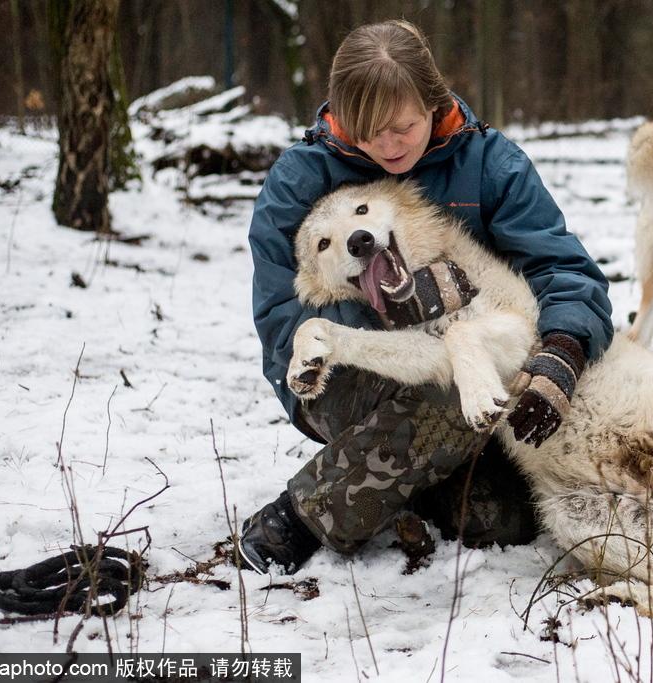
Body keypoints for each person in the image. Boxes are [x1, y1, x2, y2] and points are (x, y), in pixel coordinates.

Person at [241, 19, 613, 573]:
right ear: (342, 118)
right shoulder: (300, 178)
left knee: (501, 519)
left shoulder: (490, 163)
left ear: (433, 103)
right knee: (455, 381)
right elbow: (281, 316)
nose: (388, 145)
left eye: (403, 126)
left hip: (475, 355)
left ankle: (400, 487)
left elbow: (562, 268)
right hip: (341, 374)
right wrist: (392, 310)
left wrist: (563, 348)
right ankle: (303, 515)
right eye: (368, 132)